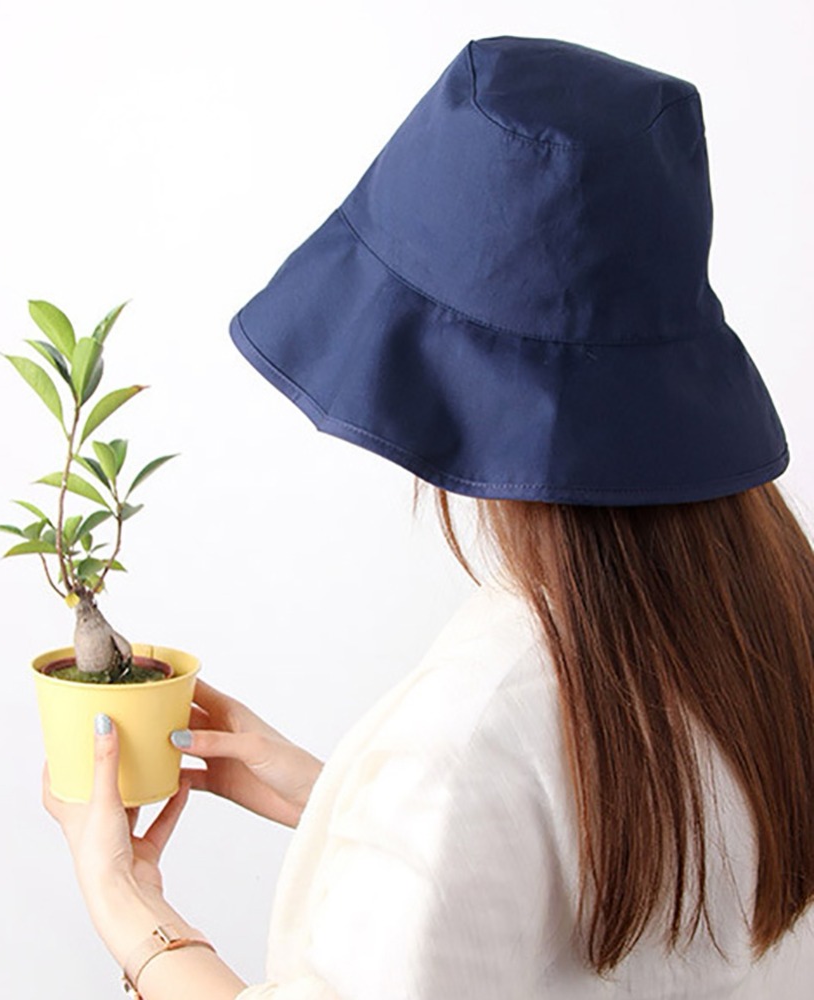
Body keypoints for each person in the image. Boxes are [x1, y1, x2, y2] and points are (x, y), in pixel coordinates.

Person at [43, 36, 814, 999]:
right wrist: (347, 803)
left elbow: (502, 786)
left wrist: (125, 902)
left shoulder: (474, 734)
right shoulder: (775, 616)